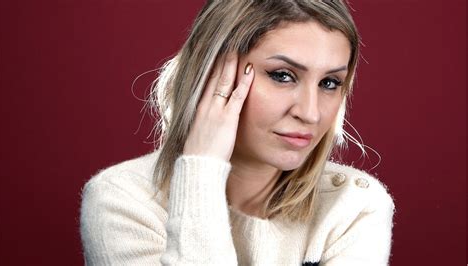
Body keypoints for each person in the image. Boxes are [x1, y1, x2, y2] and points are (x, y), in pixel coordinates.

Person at [80, 0, 395, 265]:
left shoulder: (353, 206)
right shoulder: (124, 200)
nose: (310, 112)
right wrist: (201, 170)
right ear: (213, 73)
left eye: (330, 82)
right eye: (283, 75)